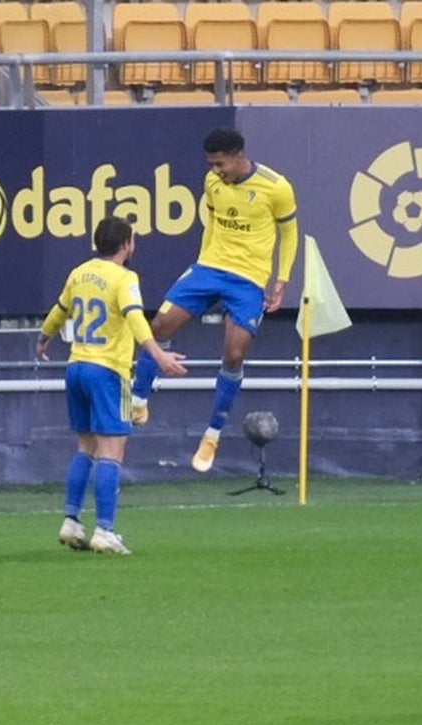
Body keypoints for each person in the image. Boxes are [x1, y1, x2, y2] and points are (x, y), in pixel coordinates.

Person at [130, 127, 299, 472]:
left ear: (238, 156)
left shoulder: (276, 187)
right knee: (159, 324)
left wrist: (281, 279)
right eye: (210, 164)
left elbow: (290, 233)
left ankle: (213, 433)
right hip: (209, 267)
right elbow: (211, 224)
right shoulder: (212, 183)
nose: (215, 170)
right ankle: (138, 399)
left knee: (234, 354)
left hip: (249, 280)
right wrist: (201, 263)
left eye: (219, 163)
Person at [37, 216, 187, 555]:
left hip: (75, 367)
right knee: (112, 451)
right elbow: (135, 317)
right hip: (106, 371)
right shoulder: (124, 277)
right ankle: (105, 530)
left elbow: (59, 312)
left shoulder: (79, 273)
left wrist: (43, 340)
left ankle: (71, 520)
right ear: (126, 245)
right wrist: (158, 355)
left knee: (85, 448)